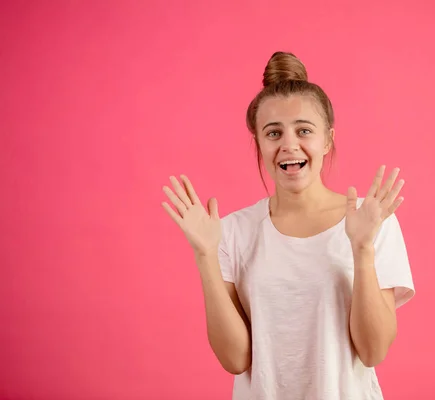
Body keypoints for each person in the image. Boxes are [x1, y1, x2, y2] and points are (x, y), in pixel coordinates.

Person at [161, 51, 415, 400]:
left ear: (327, 140)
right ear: (260, 144)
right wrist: (205, 255)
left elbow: (373, 351)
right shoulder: (233, 232)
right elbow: (235, 359)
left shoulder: (371, 221)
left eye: (304, 130)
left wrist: (362, 249)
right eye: (273, 133)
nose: (288, 145)